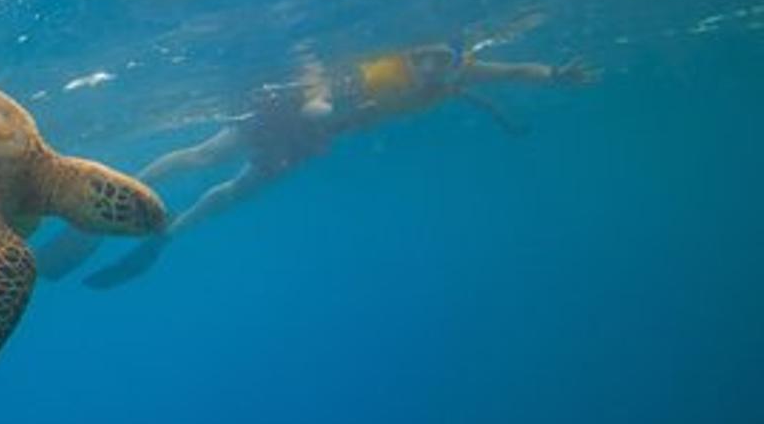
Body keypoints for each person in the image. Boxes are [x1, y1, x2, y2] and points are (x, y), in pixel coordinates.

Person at [43, 43, 597, 287]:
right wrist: (315, 103)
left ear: (453, 58)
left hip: (310, 142)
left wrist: (553, 75)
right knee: (204, 155)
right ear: (410, 54)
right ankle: (104, 195)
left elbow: (507, 73)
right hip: (290, 117)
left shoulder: (459, 73)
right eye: (422, 58)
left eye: (441, 60)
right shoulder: (387, 67)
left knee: (233, 190)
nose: (430, 68)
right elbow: (322, 85)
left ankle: (163, 239)